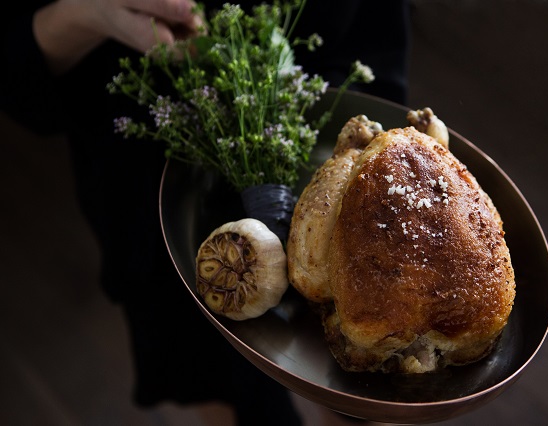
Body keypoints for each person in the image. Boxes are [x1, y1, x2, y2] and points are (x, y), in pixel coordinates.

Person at [1, 0, 409, 424]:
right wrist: (89, 12)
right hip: (159, 204)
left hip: (330, 132)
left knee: (362, 389)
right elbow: (17, 78)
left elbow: (374, 42)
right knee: (219, 381)